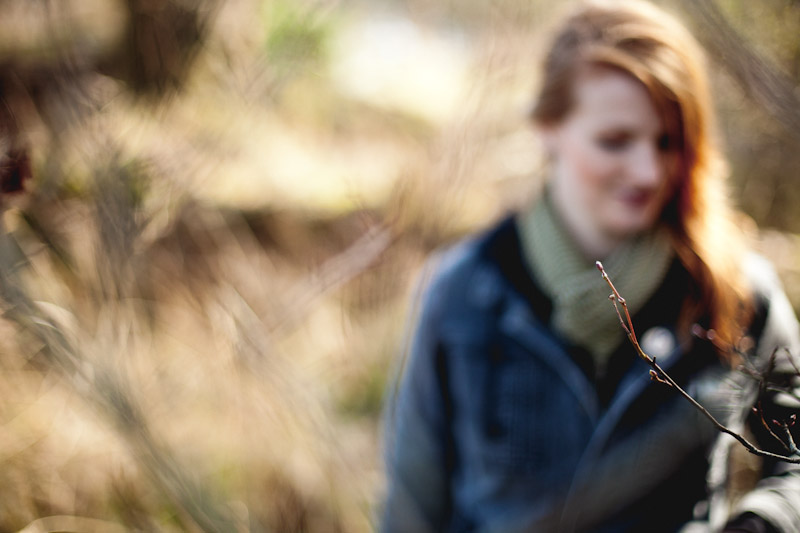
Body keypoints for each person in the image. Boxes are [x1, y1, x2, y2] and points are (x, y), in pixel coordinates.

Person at [380, 1, 800, 531]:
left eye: (668, 142)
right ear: (547, 128)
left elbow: (795, 466)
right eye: (615, 141)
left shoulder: (736, 294)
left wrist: (762, 524)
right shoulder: (462, 296)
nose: (649, 171)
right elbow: (411, 511)